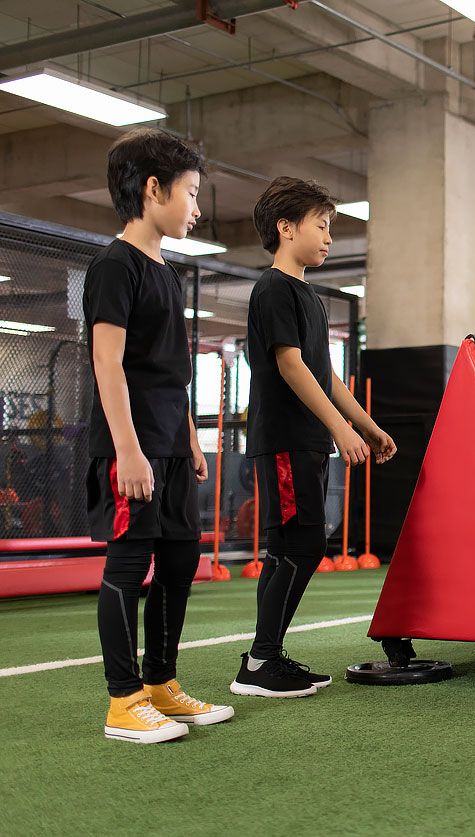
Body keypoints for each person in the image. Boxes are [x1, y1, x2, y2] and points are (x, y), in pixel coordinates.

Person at [86, 127, 234, 743]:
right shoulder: (114, 266)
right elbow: (107, 362)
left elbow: (173, 369)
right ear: (153, 190)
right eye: (191, 193)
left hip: (171, 446)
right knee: (128, 566)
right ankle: (123, 701)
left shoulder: (166, 271)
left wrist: (192, 440)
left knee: (178, 563)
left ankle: (159, 684)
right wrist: (127, 449)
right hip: (132, 448)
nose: (197, 208)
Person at [230, 177, 397, 698]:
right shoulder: (274, 289)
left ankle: (265, 658)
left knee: (291, 545)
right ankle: (261, 661)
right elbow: (290, 364)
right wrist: (338, 427)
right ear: (286, 228)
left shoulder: (309, 296)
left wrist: (367, 426)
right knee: (298, 544)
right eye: (320, 226)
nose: (328, 238)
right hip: (284, 438)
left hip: (305, 441)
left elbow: (325, 375)